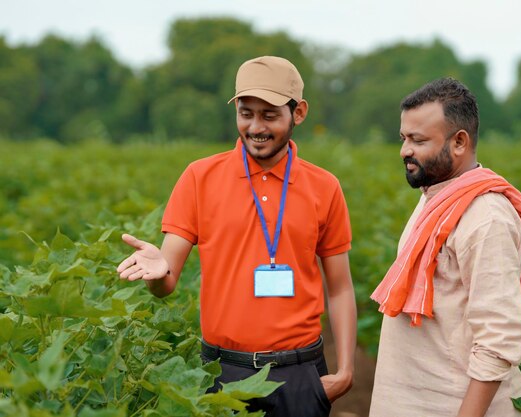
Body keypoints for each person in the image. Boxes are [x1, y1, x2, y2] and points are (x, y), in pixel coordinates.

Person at [117, 56, 356, 417]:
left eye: (270, 115)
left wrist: (346, 371)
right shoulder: (200, 178)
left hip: (300, 374)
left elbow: (339, 287)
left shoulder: (324, 187)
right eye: (246, 113)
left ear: (299, 112)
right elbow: (166, 281)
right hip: (224, 375)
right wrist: (155, 274)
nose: (256, 127)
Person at [369, 77, 521, 417]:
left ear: (459, 142)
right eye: (403, 138)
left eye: (417, 140)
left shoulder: (486, 216)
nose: (404, 150)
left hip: (451, 406)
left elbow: (499, 339)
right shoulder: (436, 197)